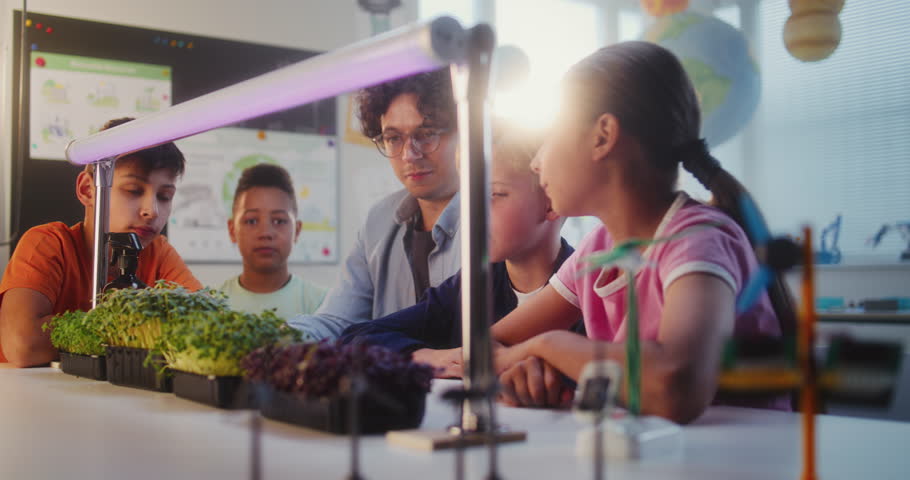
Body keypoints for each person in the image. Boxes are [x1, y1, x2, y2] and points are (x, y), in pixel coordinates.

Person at [489, 42, 786, 422]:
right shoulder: (597, 249)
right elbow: (492, 344)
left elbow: (675, 385)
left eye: (550, 135)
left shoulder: (698, 239)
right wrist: (527, 368)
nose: (535, 161)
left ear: (602, 136)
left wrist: (548, 346)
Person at [339, 122, 580, 378]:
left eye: (494, 194)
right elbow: (356, 338)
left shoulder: (587, 290)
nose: (471, 211)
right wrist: (434, 357)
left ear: (551, 202)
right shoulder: (470, 285)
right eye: (467, 196)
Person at [0, 117, 202, 367]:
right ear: (88, 190)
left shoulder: (159, 253)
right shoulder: (48, 244)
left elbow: (206, 326)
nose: (152, 211)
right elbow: (24, 344)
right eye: (133, 191)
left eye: (164, 196)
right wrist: (141, 328)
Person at [291, 69, 461, 340]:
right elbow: (337, 321)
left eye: (426, 133)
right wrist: (270, 339)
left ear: (465, 131)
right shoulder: (378, 223)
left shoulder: (492, 218)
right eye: (394, 138)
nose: (409, 154)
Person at [219, 164, 326, 320]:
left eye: (278, 221)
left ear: (297, 230)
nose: (265, 233)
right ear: (231, 230)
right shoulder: (213, 305)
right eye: (252, 221)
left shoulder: (324, 307)